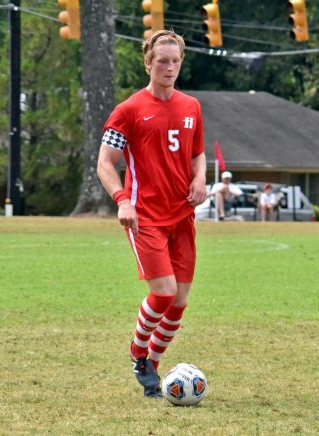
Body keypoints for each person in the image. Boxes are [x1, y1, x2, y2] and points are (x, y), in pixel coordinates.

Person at [96, 30, 207, 398]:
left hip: (183, 216)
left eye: (175, 61)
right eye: (162, 61)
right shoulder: (128, 110)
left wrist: (200, 179)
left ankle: (152, 365)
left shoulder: (191, 106)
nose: (169, 67)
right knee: (163, 293)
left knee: (180, 301)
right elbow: (104, 162)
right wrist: (122, 199)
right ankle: (137, 351)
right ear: (148, 63)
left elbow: (197, 153)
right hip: (145, 217)